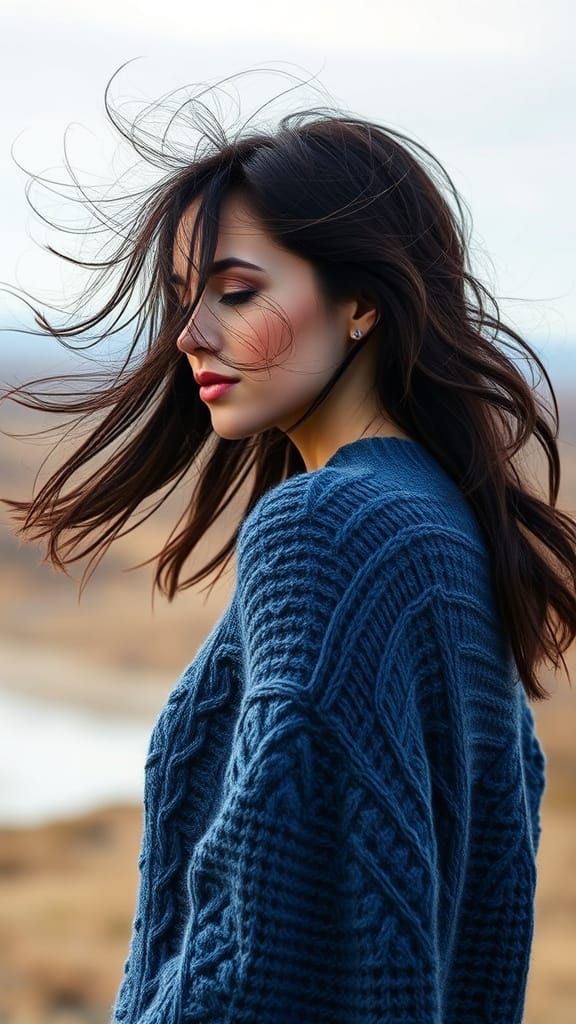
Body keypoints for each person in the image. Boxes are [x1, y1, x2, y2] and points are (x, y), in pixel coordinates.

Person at [2, 72, 575, 1024]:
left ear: (362, 303)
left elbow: (258, 946)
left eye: (235, 292)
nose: (190, 335)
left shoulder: (324, 529)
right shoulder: (443, 523)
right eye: (184, 299)